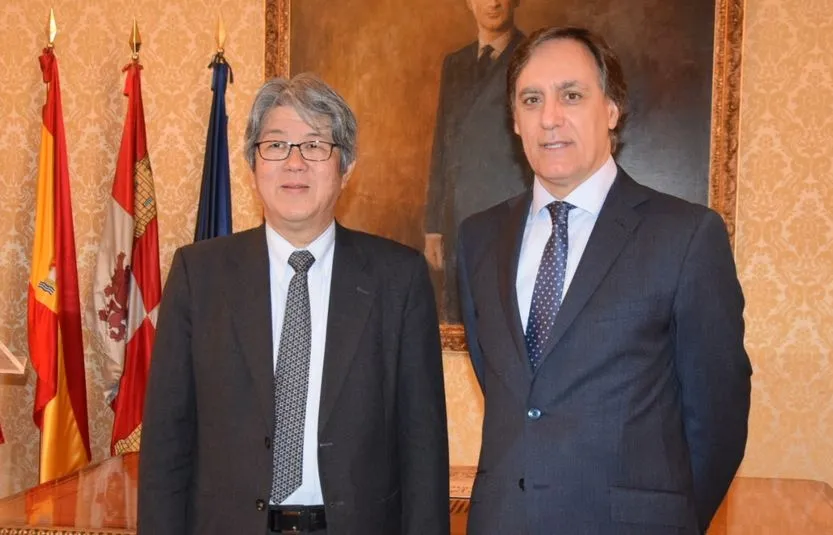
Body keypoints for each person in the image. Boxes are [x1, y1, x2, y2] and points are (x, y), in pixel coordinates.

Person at [456, 27, 752, 534]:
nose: (550, 117)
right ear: (515, 121)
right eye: (532, 99)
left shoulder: (684, 236)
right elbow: (516, 388)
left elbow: (718, 414)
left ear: (612, 109)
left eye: (571, 95)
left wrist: (667, 520)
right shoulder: (478, 238)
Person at [138, 73, 450, 535]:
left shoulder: (397, 278)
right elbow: (166, 443)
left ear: (346, 167)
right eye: (277, 145)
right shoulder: (198, 275)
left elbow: (423, 449)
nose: (295, 163)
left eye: (315, 145)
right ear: (253, 165)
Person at [425, 0, 531, 322]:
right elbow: (443, 146)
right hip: (458, 222)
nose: (494, 2)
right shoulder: (454, 64)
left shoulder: (532, 57)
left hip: (511, 216)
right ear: (469, 4)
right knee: (460, 319)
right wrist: (433, 227)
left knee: (505, 318)